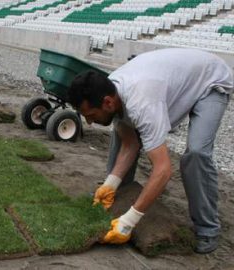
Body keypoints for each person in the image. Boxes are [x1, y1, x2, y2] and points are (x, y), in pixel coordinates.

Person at [67, 48, 233, 254]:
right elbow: (130, 144)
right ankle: (120, 195)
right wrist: (110, 184)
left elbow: (163, 170)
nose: (89, 123)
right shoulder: (111, 89)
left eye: (91, 115)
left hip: (210, 81)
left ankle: (208, 229)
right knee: (120, 136)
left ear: (108, 102)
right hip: (172, 81)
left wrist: (129, 221)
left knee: (196, 153)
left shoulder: (142, 103)